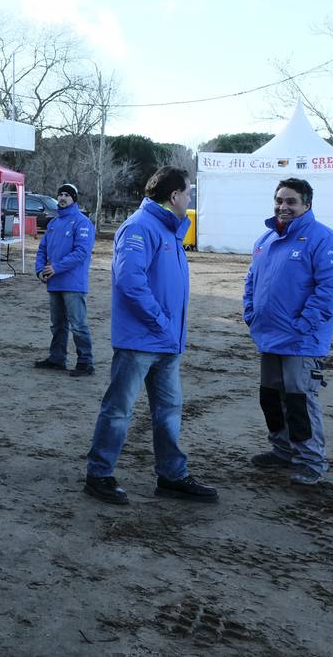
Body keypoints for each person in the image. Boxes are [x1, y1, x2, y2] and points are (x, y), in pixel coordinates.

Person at [83, 167, 218, 506]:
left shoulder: (169, 229)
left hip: (166, 342)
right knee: (118, 411)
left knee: (169, 411)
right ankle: (99, 475)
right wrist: (160, 322)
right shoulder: (140, 227)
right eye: (187, 193)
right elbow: (131, 282)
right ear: (174, 196)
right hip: (141, 342)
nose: (189, 199)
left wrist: (168, 330)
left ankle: (171, 475)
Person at [244, 178, 333, 486]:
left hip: (302, 341)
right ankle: (282, 450)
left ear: (307, 204)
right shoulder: (265, 239)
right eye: (279, 200)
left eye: (291, 201)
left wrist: (304, 324)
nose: (283, 206)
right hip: (269, 336)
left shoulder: (325, 240)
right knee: (270, 398)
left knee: (298, 402)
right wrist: (251, 314)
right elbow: (251, 280)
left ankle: (310, 460)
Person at [33, 183, 97, 377]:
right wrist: (39, 270)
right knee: (57, 324)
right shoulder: (53, 223)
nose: (62, 198)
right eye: (60, 194)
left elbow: (81, 252)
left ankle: (85, 362)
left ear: (74, 199)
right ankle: (57, 358)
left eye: (67, 195)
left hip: (73, 284)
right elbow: (42, 249)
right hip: (54, 282)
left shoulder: (82, 222)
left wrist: (56, 267)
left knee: (78, 324)